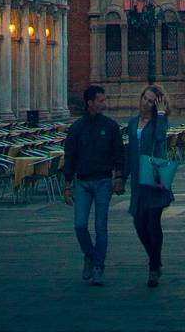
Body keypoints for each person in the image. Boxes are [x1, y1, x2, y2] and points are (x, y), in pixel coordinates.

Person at [62, 84, 126, 286]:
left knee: (100, 226)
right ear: (90, 103)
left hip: (103, 182)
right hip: (82, 182)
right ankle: (89, 254)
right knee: (79, 224)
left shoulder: (110, 126)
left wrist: (118, 178)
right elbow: (70, 157)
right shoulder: (76, 129)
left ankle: (98, 265)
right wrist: (67, 184)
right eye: (101, 101)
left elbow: (118, 154)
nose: (104, 104)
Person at [126, 85, 173, 287]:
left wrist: (161, 114)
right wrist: (121, 176)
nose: (146, 103)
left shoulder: (158, 122)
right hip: (138, 177)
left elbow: (161, 138)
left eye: (151, 101)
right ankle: (155, 257)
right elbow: (129, 150)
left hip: (154, 175)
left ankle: (154, 266)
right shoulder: (132, 122)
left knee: (153, 221)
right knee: (139, 224)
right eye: (145, 98)